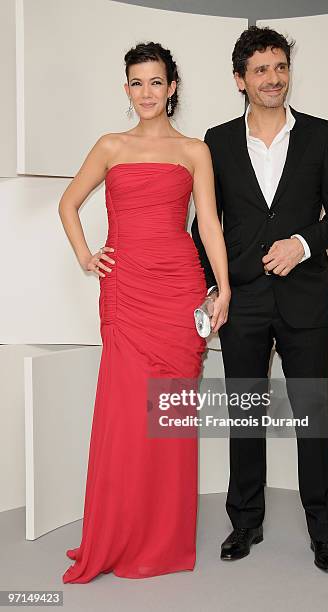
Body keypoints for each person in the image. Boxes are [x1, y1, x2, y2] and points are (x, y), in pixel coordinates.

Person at [58, 41, 230, 582]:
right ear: (126, 88)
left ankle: (163, 538)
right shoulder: (110, 145)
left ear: (172, 87)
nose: (147, 92)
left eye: (156, 82)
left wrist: (221, 288)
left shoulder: (195, 151)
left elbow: (207, 225)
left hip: (179, 290)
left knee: (169, 416)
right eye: (137, 82)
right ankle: (118, 532)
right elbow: (68, 202)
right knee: (125, 412)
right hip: (126, 290)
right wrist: (88, 256)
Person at [191, 26, 328, 574]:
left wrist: (304, 243)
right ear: (240, 80)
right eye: (260, 70)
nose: (273, 78)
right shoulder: (214, 140)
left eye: (280, 67)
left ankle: (323, 533)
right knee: (246, 415)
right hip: (242, 301)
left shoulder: (320, 134)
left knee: (312, 416)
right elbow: (205, 225)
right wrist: (216, 287)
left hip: (306, 299)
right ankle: (245, 523)